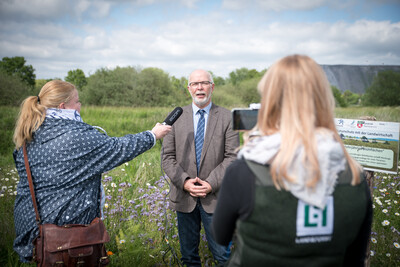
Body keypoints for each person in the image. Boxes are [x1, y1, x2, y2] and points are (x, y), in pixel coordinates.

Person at [212, 55, 373, 266]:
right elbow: (355, 257)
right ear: (324, 100)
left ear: (269, 102)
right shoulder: (354, 175)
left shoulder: (245, 171)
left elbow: (220, 236)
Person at [12, 80, 171, 262]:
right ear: (63, 106)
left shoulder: (29, 132)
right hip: (66, 233)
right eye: (77, 101)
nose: (80, 106)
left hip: (31, 229)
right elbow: (118, 148)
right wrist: (152, 135)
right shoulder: (76, 134)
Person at [162, 69, 240, 266]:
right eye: (195, 84)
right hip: (184, 197)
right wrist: (185, 182)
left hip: (216, 197)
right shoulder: (175, 117)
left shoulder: (227, 117)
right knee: (189, 258)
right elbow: (167, 157)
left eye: (204, 83)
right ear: (189, 88)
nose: (199, 87)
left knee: (223, 257)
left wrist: (211, 184)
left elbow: (233, 156)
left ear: (212, 87)